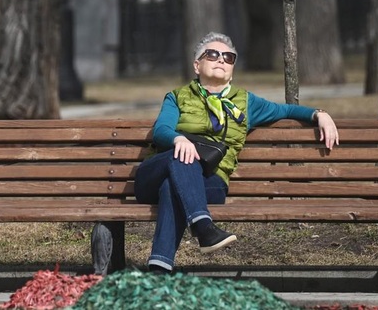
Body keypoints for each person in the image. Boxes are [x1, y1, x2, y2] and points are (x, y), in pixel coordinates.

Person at [134, 31, 340, 274]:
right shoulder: (178, 97)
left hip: (210, 183)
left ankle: (159, 270)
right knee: (182, 157)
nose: (221, 60)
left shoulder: (246, 102)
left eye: (228, 57)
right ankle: (203, 228)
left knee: (173, 186)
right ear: (197, 65)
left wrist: (320, 114)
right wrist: (179, 139)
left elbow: (286, 110)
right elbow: (161, 131)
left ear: (232, 68)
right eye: (212, 54)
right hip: (155, 174)